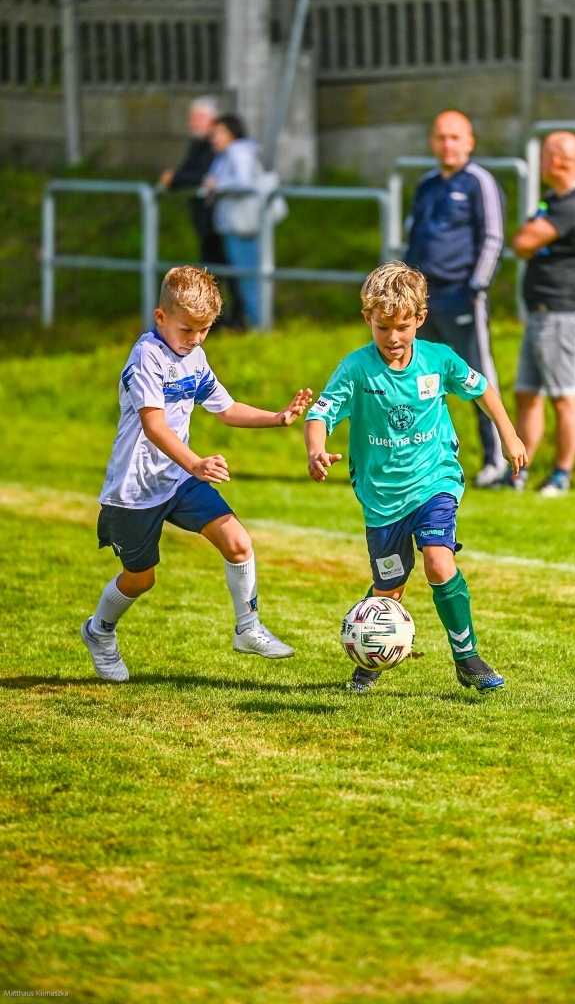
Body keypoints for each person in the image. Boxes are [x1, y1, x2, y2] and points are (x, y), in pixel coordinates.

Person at [80, 265, 312, 683]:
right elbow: (154, 425)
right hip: (135, 489)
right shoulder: (146, 356)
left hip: (180, 480)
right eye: (188, 330)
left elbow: (225, 409)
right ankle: (99, 631)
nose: (197, 339)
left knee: (238, 542)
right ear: (160, 317)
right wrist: (197, 463)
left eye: (204, 330)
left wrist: (277, 418)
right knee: (141, 578)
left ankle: (248, 628)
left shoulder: (195, 357)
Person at [304, 261, 527, 694]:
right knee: (391, 584)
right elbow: (320, 414)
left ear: (420, 320)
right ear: (367, 318)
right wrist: (316, 450)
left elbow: (481, 390)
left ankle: (467, 657)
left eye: (402, 327)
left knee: (439, 562)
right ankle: (373, 651)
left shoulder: (438, 360)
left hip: (434, 480)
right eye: (382, 327)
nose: (393, 338)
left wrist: (509, 435)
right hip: (381, 497)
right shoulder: (355, 369)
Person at [405, 110, 507, 488]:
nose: (448, 144)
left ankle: (498, 462)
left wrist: (475, 287)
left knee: (477, 377)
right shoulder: (426, 184)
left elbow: (494, 237)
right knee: (420, 382)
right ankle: (423, 461)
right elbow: (412, 234)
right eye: (441, 137)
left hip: (461, 297)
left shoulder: (480, 182)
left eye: (455, 137)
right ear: (432, 142)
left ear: (469, 142)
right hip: (421, 302)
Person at [504, 132, 575, 497]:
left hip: (562, 315)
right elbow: (529, 237)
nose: (540, 164)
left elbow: (524, 241)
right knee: (527, 395)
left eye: (544, 156)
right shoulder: (554, 200)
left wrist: (529, 237)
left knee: (564, 398)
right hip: (540, 315)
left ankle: (561, 474)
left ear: (559, 161)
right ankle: (520, 472)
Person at [159, 96, 245, 328]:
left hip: (220, 220)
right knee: (214, 270)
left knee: (224, 270)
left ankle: (234, 319)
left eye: (197, 117)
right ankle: (221, 320)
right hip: (209, 220)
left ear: (212, 120)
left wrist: (175, 178)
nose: (192, 122)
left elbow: (205, 176)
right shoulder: (200, 144)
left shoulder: (215, 146)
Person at [204, 114, 280, 330]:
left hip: (243, 226)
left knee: (250, 278)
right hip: (237, 225)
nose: (213, 138)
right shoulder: (231, 153)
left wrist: (217, 184)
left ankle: (261, 326)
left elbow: (243, 182)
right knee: (249, 278)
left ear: (231, 132)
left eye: (218, 133)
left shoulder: (238, 151)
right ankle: (259, 324)